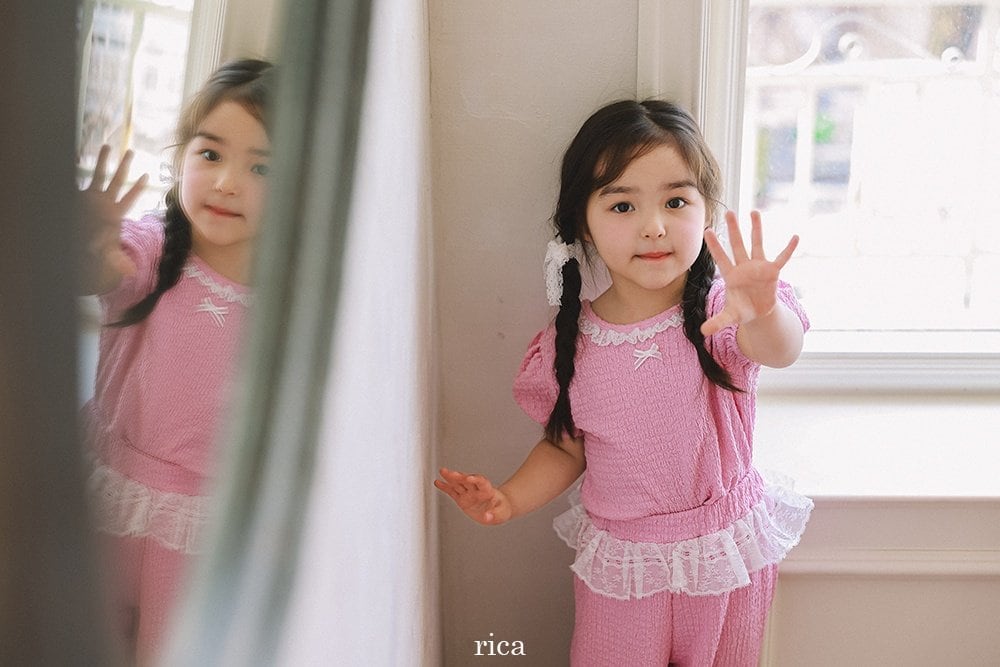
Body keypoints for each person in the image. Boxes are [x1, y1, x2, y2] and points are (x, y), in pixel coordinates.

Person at [435, 99, 813, 666]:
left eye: (676, 201)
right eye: (622, 205)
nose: (654, 226)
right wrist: (509, 499)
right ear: (582, 226)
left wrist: (762, 309)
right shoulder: (570, 345)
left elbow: (778, 349)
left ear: (706, 213)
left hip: (722, 557)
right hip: (626, 567)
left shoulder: (720, 315)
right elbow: (565, 447)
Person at [79, 58, 274, 664]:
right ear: (180, 159)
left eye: (262, 167)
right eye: (210, 154)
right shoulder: (155, 245)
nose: (226, 183)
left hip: (200, 534)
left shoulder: (290, 299)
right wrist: (86, 240)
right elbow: (100, 270)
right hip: (105, 498)